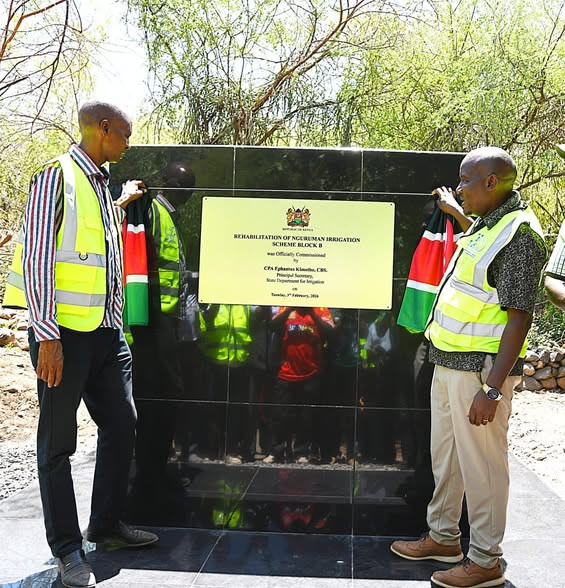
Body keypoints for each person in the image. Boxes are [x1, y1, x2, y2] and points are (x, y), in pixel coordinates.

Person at [2, 101, 158, 588]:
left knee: (122, 423)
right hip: (63, 337)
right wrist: (47, 335)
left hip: (106, 334)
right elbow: (37, 257)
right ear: (104, 129)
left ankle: (105, 525)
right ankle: (68, 550)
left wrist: (121, 201)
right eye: (125, 133)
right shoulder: (56, 176)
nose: (129, 142)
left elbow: (90, 240)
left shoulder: (99, 184)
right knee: (57, 445)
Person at [390, 147, 546, 588]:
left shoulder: (520, 235)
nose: (460, 189)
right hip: (448, 362)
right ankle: (444, 538)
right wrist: (455, 212)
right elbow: (480, 259)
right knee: (448, 459)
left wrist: (492, 389)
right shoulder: (488, 222)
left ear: (492, 182)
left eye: (466, 182)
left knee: (484, 469)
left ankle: (485, 560)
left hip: (479, 372)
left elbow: (519, 318)